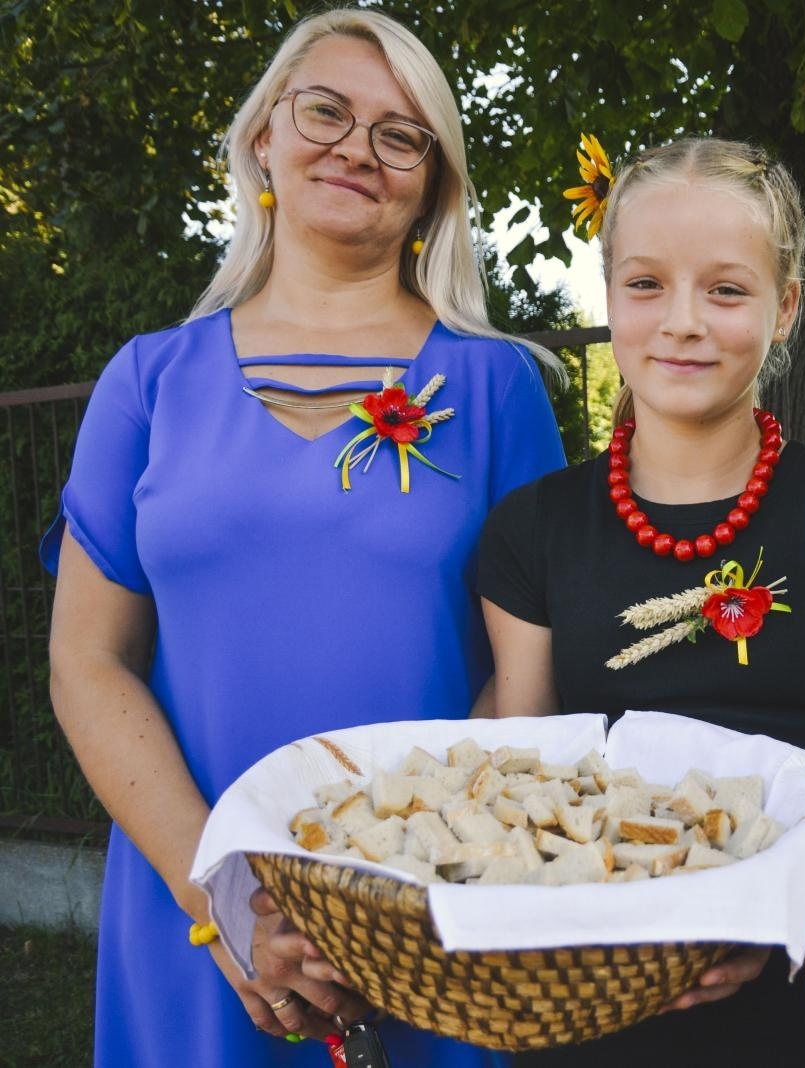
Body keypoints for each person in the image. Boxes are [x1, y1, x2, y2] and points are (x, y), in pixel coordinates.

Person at [42, 9, 565, 1065]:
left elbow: (533, 672)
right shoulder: (146, 380)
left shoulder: (496, 385)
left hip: (429, 915)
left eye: (401, 135)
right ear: (263, 138)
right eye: (325, 111)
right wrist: (225, 894)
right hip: (189, 902)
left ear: (433, 186)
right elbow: (87, 662)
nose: (357, 148)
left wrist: (397, 897)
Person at [475, 137, 805, 1066]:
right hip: (587, 995)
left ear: (785, 306)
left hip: (791, 984)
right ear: (609, 295)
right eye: (646, 284)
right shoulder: (535, 527)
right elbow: (521, 768)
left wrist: (767, 890)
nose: (682, 322)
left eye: (725, 290)